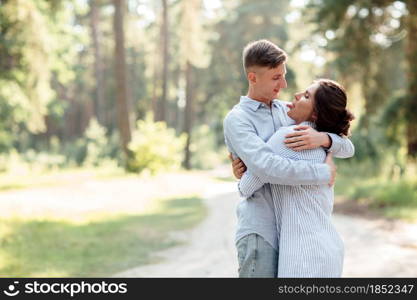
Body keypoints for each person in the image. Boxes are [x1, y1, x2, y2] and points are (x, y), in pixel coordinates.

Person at [223, 39, 354, 277]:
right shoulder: (238, 119)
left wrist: (324, 139)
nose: (283, 84)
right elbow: (266, 167)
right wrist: (323, 173)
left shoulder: (289, 111)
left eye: (283, 75)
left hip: (292, 234)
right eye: (276, 77)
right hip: (261, 231)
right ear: (253, 78)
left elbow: (347, 146)